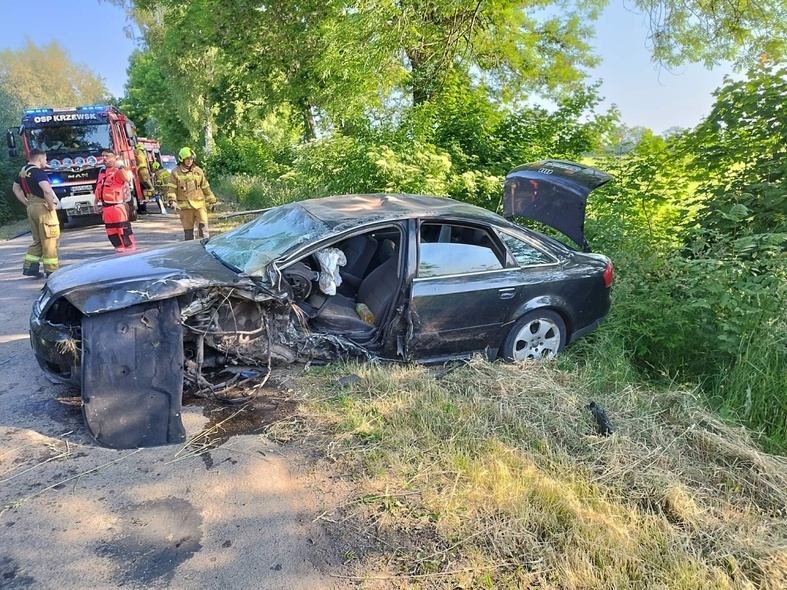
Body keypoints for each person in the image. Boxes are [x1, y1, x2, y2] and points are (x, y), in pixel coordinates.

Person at [11, 149, 60, 277]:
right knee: (50, 239)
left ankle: (30, 267)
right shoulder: (38, 173)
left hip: (31, 207)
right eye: (45, 159)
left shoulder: (23, 172)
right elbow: (47, 191)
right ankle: (52, 270)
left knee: (37, 239)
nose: (45, 162)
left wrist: (27, 203)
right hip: (43, 208)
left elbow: (15, 189)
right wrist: (50, 206)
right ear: (39, 159)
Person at [166, 147, 217, 240]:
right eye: (187, 159)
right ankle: (190, 250)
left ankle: (203, 249)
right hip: (185, 208)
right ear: (182, 159)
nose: (190, 161)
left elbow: (205, 187)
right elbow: (172, 189)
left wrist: (212, 200)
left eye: (191, 159)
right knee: (188, 233)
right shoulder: (175, 172)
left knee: (203, 229)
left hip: (199, 205)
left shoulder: (198, 171)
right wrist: (172, 201)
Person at [95, 149, 136, 253]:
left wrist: (121, 167)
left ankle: (131, 252)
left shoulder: (118, 171)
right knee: (112, 233)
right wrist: (95, 203)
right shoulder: (102, 171)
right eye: (103, 156)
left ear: (114, 158)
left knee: (124, 231)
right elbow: (99, 188)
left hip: (117, 207)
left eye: (107, 156)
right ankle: (120, 252)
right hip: (106, 208)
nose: (104, 158)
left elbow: (127, 179)